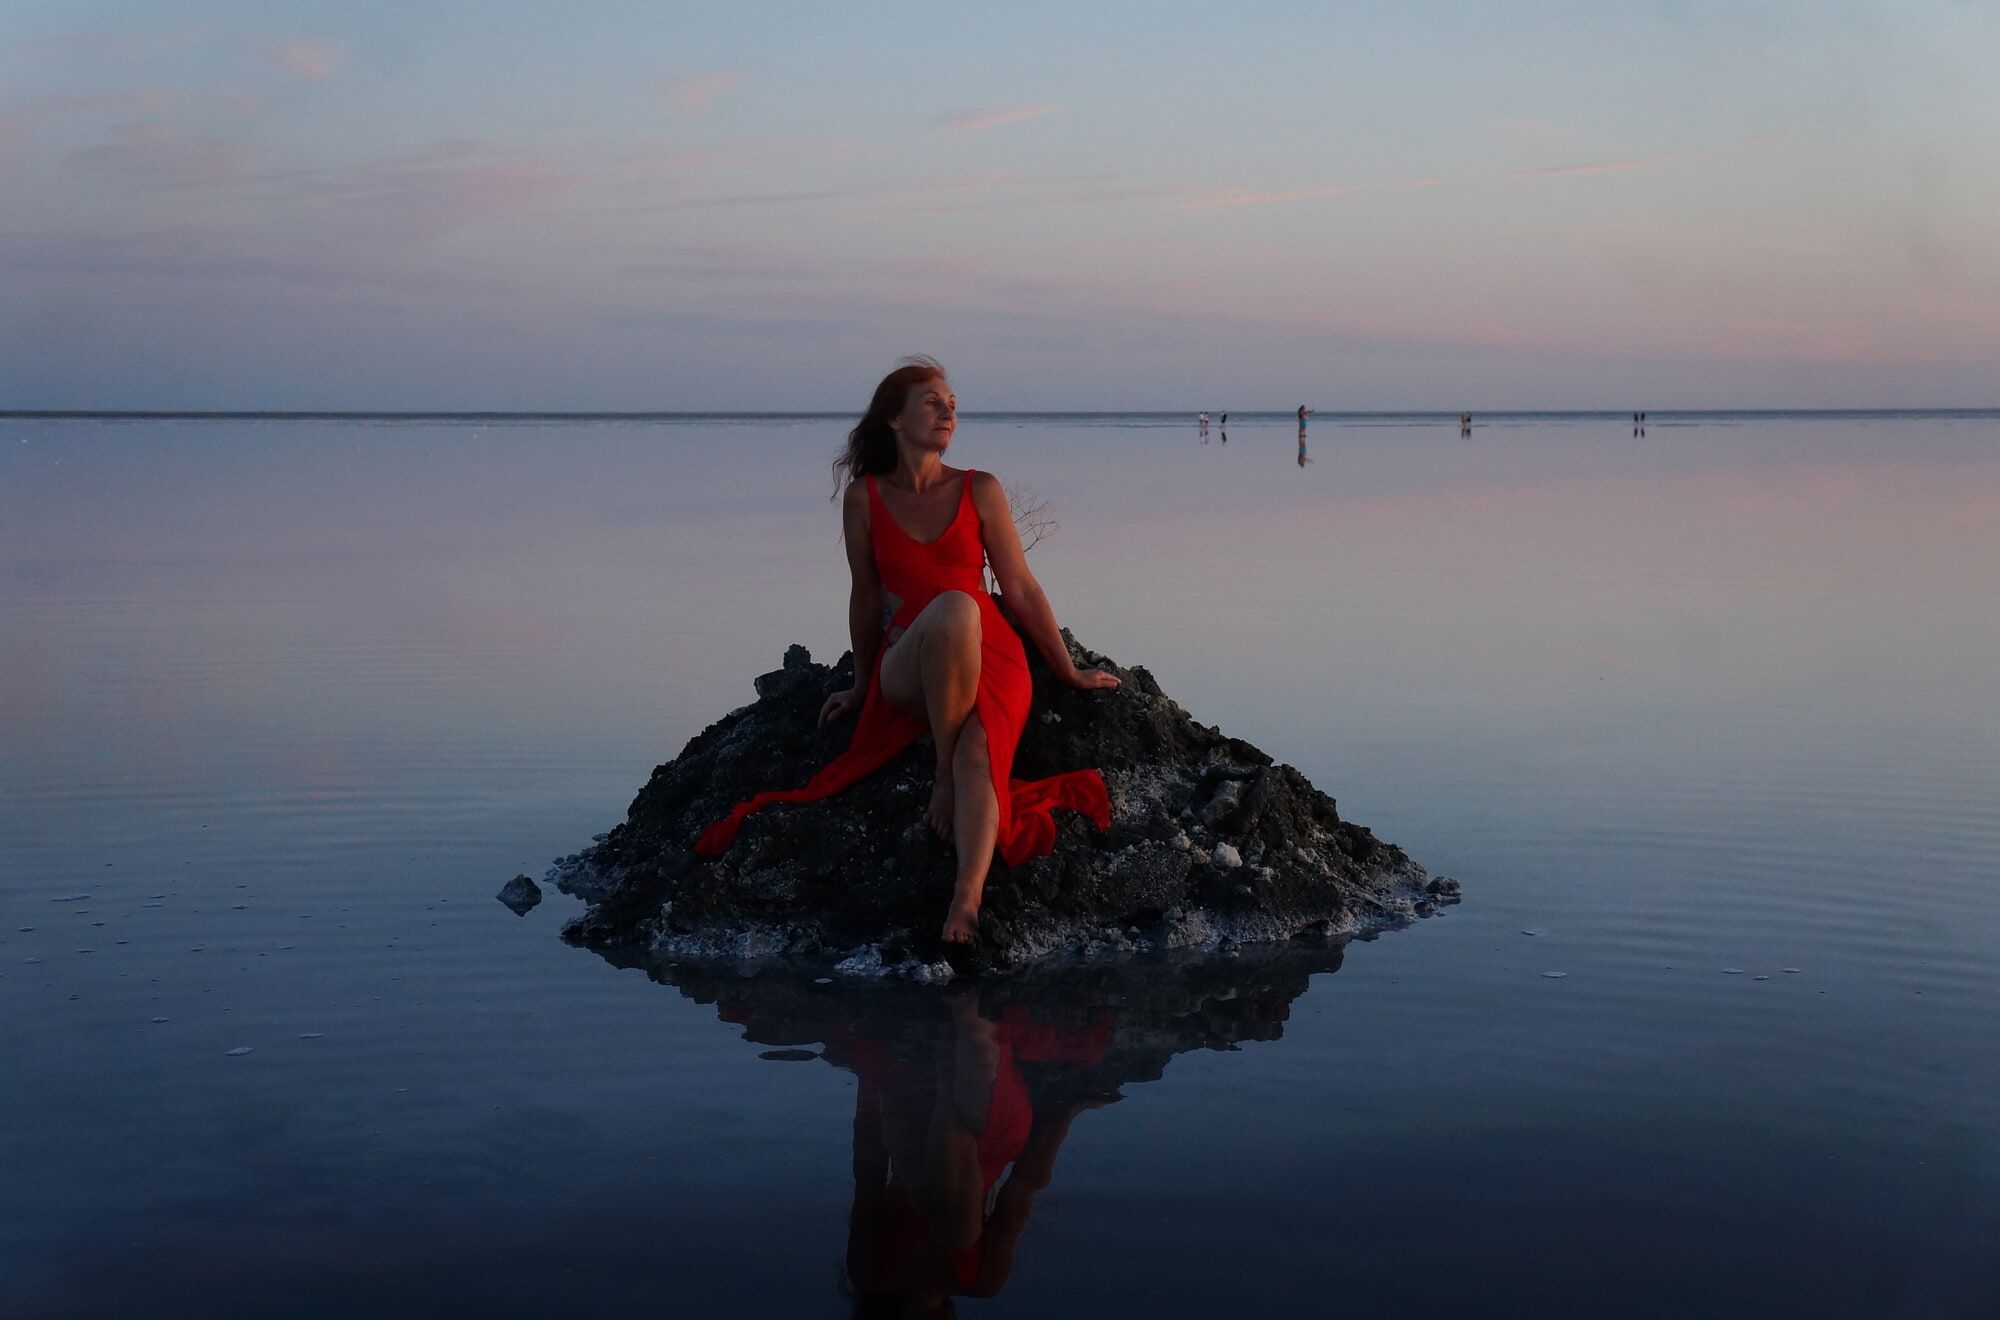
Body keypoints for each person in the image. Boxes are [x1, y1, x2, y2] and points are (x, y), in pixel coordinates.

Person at [694, 357, 1118, 944]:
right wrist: (862, 682)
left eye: (952, 404)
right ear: (894, 418)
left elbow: (1019, 587)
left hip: (991, 656)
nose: (948, 412)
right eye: (932, 402)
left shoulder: (980, 489)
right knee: (956, 606)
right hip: (911, 662)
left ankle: (965, 902)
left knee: (982, 750)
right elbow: (866, 598)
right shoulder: (865, 498)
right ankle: (941, 772)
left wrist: (1067, 669)